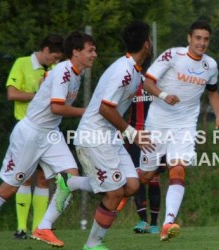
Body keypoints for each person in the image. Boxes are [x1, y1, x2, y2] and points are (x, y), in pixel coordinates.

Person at [0, 31, 97, 250]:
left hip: (50, 133)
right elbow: (56, 107)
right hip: (30, 133)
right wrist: (87, 111)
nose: (95, 54)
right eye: (90, 50)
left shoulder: (75, 73)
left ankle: (44, 226)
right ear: (76, 52)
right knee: (10, 187)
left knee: (70, 177)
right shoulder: (64, 72)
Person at [137, 19, 219, 242]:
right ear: (189, 38)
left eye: (206, 39)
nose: (202, 43)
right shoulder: (172, 55)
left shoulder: (210, 65)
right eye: (198, 38)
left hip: (185, 125)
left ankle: (168, 223)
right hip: (157, 123)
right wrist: (165, 96)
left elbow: (213, 91)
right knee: (146, 175)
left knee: (178, 169)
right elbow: (148, 82)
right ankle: (116, 189)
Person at [72, 21, 154, 250]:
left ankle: (71, 183)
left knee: (132, 185)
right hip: (94, 137)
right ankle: (92, 244)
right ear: (146, 44)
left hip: (109, 136)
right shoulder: (124, 72)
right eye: (151, 40)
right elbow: (105, 109)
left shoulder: (135, 72)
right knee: (115, 191)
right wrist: (132, 133)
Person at [5, 34, 64, 240]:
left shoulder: (56, 70)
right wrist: (39, 94)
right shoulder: (22, 63)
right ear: (46, 50)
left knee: (43, 178)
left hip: (48, 131)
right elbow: (12, 94)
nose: (56, 61)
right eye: (54, 56)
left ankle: (39, 228)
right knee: (24, 177)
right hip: (25, 129)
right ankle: (21, 228)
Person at [126, 75, 165, 235]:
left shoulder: (159, 84)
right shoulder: (128, 83)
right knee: (138, 177)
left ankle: (155, 223)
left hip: (155, 137)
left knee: (154, 179)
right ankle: (143, 220)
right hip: (134, 137)